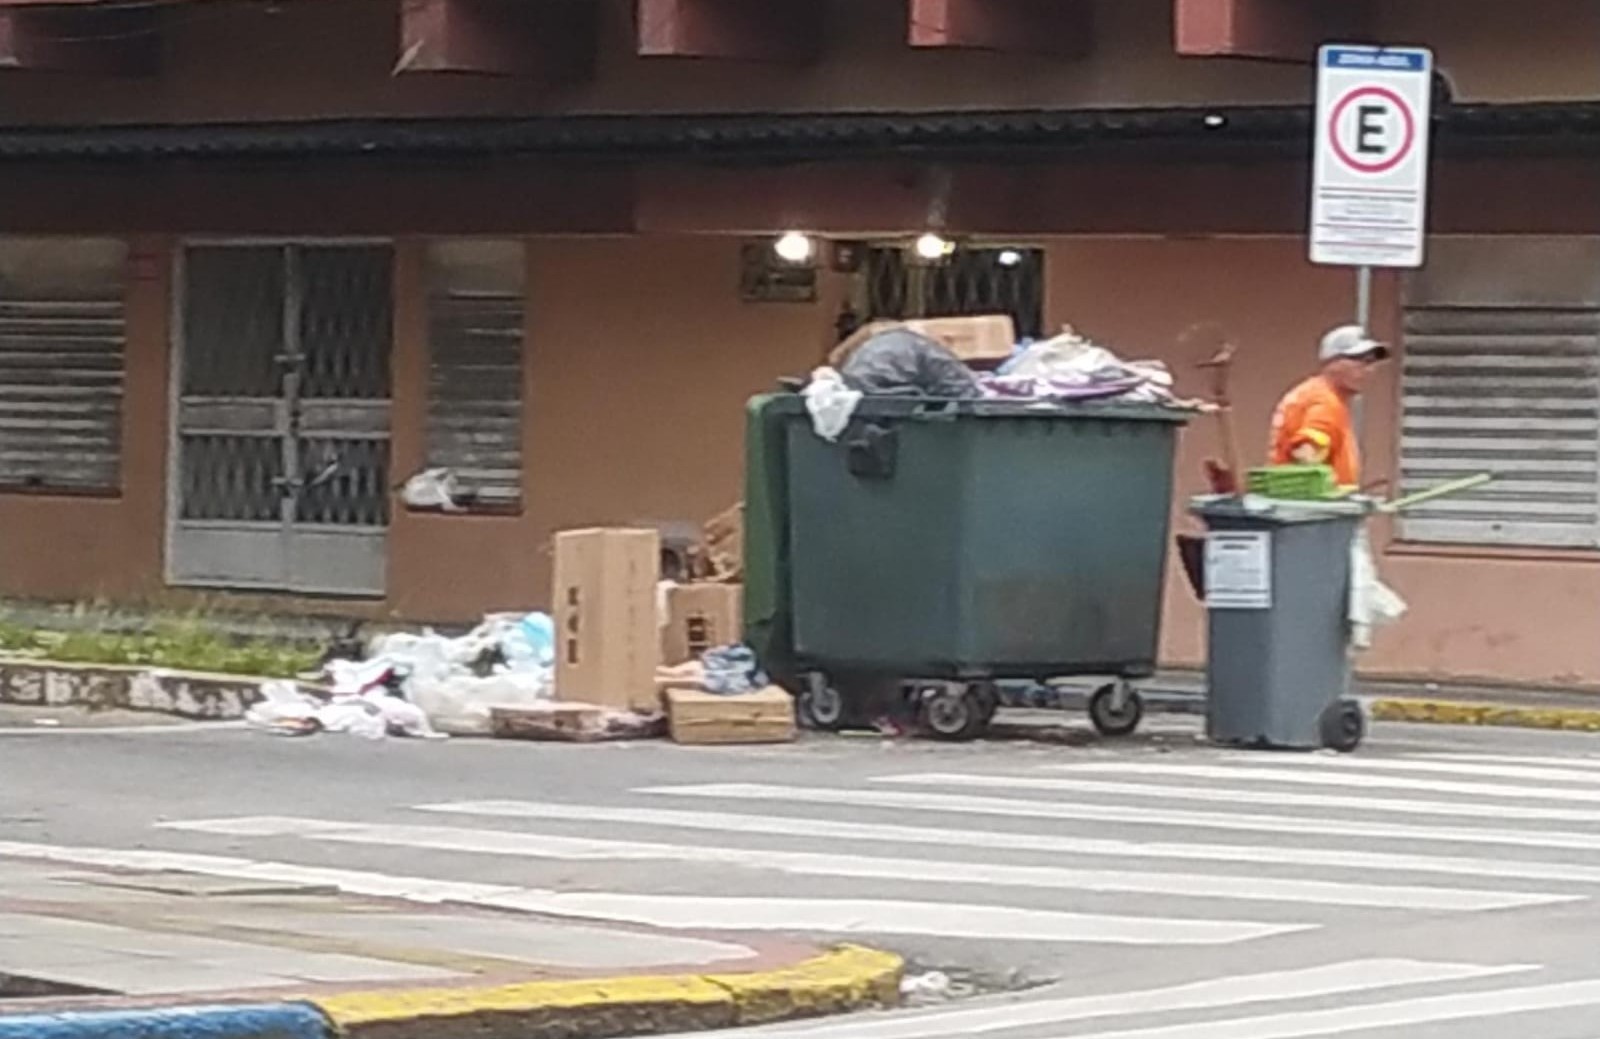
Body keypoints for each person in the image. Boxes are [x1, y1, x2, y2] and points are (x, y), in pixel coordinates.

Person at [1267, 324, 1390, 490]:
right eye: (1362, 362)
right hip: (1310, 510)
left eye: (1372, 364)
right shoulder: (1326, 402)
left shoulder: (1309, 391)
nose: (1370, 370)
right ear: (1333, 363)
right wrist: (1332, 496)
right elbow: (1305, 453)